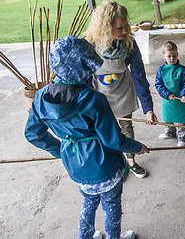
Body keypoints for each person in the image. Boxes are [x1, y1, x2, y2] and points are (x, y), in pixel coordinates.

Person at [24, 35, 149, 239]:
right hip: (104, 164)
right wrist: (137, 147)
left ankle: (85, 237)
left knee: (88, 203)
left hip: (75, 164)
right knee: (111, 206)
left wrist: (61, 149)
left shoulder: (40, 97)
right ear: (84, 68)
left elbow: (33, 133)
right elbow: (113, 140)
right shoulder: (93, 99)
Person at [84, 0, 157, 178]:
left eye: (125, 26)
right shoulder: (90, 45)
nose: (124, 31)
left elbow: (139, 77)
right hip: (99, 93)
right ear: (105, 27)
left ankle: (131, 161)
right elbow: (84, 77)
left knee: (126, 128)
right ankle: (111, 164)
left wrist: (148, 108)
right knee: (103, 131)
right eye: (119, 28)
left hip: (122, 91)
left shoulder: (128, 44)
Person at [155, 41, 185, 147]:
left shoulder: (183, 70)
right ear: (164, 56)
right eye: (169, 56)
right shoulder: (161, 70)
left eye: (174, 56)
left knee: (182, 120)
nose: (172, 58)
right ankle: (169, 133)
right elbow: (159, 85)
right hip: (168, 100)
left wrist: (184, 94)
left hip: (181, 100)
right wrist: (167, 94)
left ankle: (182, 137)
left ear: (177, 54)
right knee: (167, 118)